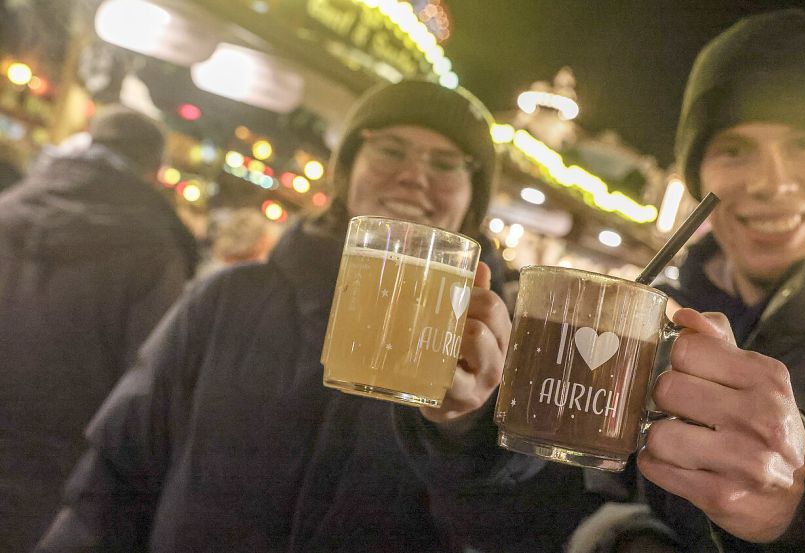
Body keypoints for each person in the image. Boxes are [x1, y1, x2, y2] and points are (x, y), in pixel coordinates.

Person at [395, 9, 805, 552]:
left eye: (804, 144)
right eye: (735, 149)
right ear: (698, 174)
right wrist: (471, 428)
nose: (770, 182)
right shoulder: (654, 326)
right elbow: (530, 520)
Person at [35, 79, 511, 552]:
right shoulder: (228, 299)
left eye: (446, 163)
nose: (413, 175)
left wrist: (467, 430)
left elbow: (516, 528)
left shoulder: (496, 350)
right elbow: (116, 476)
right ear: (346, 170)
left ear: (474, 198)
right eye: (390, 150)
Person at [0, 106, 198, 551]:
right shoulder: (153, 249)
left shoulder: (9, 207)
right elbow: (144, 383)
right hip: (58, 477)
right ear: (154, 169)